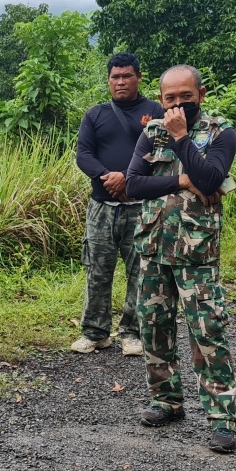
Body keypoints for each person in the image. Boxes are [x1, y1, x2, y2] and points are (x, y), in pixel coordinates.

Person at [121, 65, 236, 453]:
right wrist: (180, 180)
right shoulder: (150, 132)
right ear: (161, 99)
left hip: (196, 254)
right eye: (169, 98)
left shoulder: (221, 132)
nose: (176, 105)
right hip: (154, 247)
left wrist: (182, 139)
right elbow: (133, 184)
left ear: (200, 95)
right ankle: (166, 400)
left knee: (207, 334)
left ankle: (222, 417)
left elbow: (210, 178)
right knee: (154, 328)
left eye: (184, 98)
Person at [72, 52, 165, 356]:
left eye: (127, 76)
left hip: (143, 207)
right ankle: (95, 332)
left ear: (138, 77)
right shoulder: (95, 114)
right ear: (109, 80)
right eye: (115, 76)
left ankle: (132, 332)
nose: (121, 81)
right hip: (102, 206)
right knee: (97, 269)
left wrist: (128, 177)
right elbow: (83, 154)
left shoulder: (155, 111)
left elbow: (161, 153)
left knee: (140, 271)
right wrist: (106, 176)